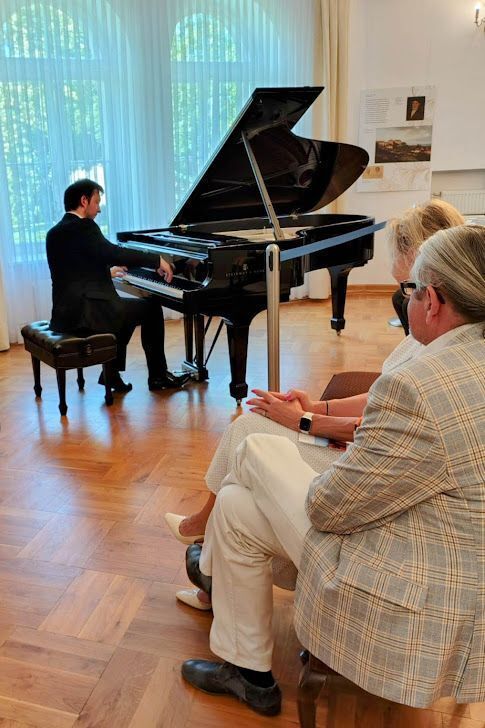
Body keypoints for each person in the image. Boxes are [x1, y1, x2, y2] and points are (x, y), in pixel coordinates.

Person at [181, 224, 485, 716]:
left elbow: (330, 508)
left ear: (432, 301)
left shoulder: (421, 385)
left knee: (253, 447)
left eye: (409, 290)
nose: (404, 299)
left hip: (411, 584)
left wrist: (307, 436)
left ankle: (211, 572)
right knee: (236, 504)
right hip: (454, 559)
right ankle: (246, 672)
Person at [165, 199, 464, 608]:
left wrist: (303, 420)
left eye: (406, 289)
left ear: (431, 287)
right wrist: (318, 408)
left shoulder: (438, 351)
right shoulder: (438, 332)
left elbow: (384, 427)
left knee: (246, 434)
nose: (401, 301)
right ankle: (212, 572)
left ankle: (209, 559)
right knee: (246, 452)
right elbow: (384, 396)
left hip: (362, 469)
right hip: (364, 453)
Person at [46, 179, 189, 392]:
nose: (99, 209)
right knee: (150, 309)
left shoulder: (54, 233)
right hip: (87, 314)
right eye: (96, 202)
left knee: (122, 310)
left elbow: (74, 270)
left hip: (65, 315)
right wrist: (156, 260)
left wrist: (107, 271)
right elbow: (114, 253)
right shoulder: (84, 227)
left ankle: (111, 374)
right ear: (84, 201)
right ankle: (158, 377)